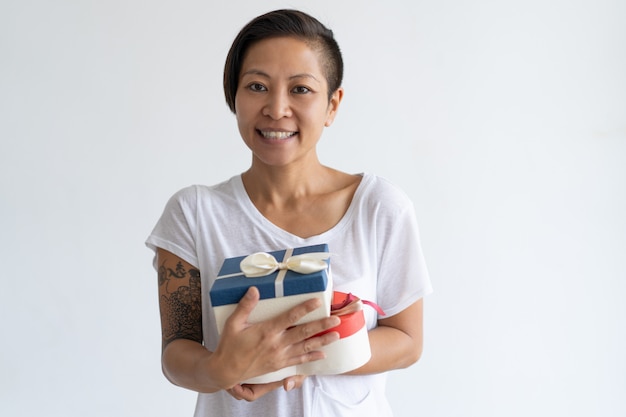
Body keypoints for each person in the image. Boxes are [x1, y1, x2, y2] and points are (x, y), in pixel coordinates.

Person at [146, 9, 432, 417]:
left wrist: (305, 352)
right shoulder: (193, 214)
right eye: (257, 86)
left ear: (333, 104)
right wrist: (220, 368)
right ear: (234, 97)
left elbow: (407, 340)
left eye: (301, 89)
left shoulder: (380, 207)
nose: (277, 108)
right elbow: (176, 353)